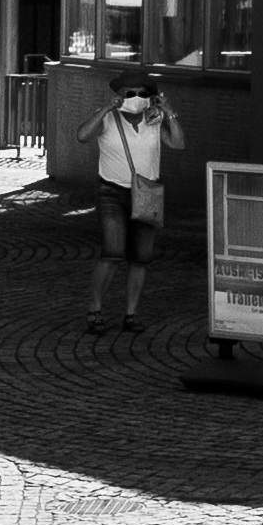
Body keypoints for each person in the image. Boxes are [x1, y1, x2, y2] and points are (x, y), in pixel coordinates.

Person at [78, 67, 176, 335]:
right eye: (129, 93)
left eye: (142, 93)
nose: (136, 98)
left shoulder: (154, 119)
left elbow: (178, 143)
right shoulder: (107, 118)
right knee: (112, 252)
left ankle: (131, 314)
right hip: (112, 192)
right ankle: (95, 309)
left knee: (141, 258)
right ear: (119, 95)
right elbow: (82, 135)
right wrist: (105, 109)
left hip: (147, 192)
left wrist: (168, 112)